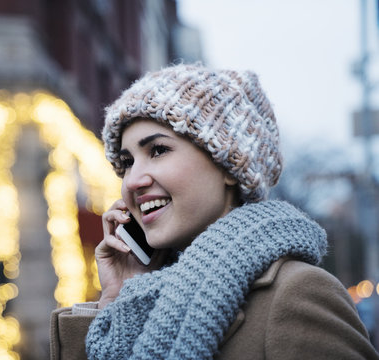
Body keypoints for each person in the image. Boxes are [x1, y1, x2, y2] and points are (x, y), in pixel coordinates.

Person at [50, 63, 379, 360]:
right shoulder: (144, 295)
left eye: (159, 150)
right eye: (127, 162)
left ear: (229, 167)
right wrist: (117, 302)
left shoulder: (298, 294)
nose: (133, 180)